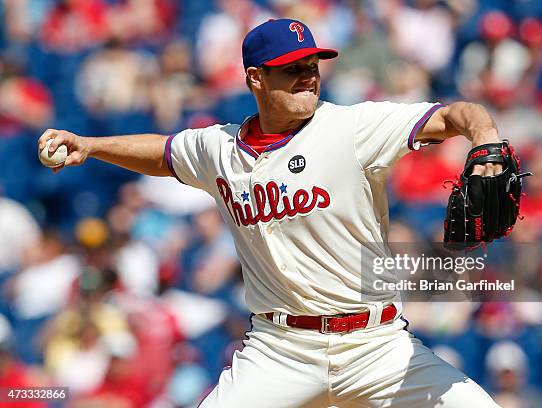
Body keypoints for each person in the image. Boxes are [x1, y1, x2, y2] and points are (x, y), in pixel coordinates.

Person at [39, 18, 502, 408]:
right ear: (255, 78)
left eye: (312, 65)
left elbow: (457, 114)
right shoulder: (217, 148)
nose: (308, 76)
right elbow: (163, 153)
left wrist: (485, 141)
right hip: (281, 350)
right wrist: (92, 145)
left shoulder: (351, 128)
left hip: (375, 344)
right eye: (291, 69)